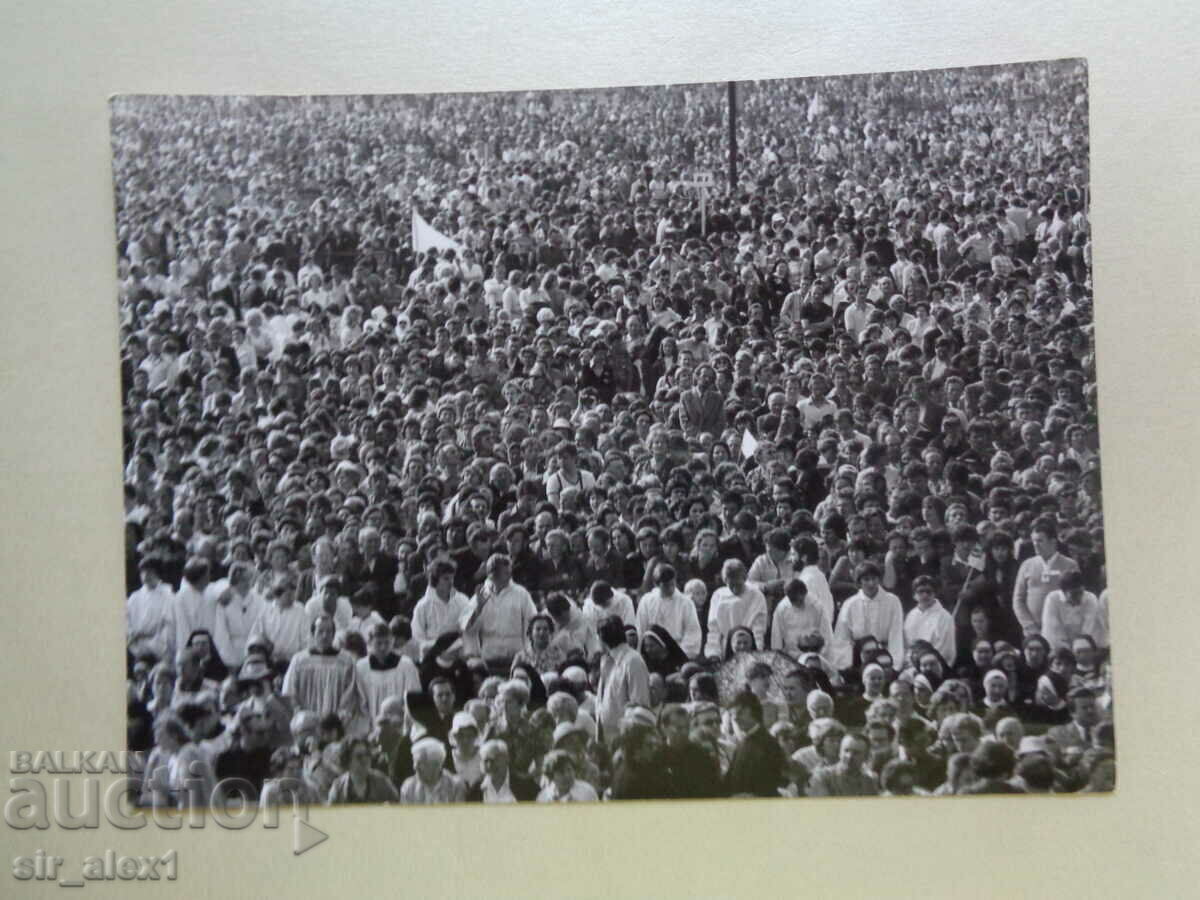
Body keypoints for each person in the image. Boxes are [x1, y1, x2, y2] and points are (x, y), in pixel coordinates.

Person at [460, 553, 537, 672]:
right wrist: (478, 607)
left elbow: (532, 622)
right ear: (492, 574)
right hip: (489, 655)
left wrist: (528, 652)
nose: (510, 575)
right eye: (505, 573)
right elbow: (466, 627)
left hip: (516, 654)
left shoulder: (521, 593)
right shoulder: (481, 594)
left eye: (509, 571)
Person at [831, 562, 905, 671]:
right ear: (859, 582)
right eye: (866, 579)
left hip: (886, 656)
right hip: (858, 660)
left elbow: (896, 634)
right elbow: (842, 637)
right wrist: (845, 665)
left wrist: (895, 665)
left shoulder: (892, 601)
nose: (871, 583)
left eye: (874, 579)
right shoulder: (850, 604)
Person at [596, 614, 651, 745]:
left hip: (626, 740)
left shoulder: (633, 661)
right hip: (605, 737)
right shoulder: (605, 660)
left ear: (601, 638)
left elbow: (640, 704)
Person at [725, 691, 788, 798]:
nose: (735, 718)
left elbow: (775, 782)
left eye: (739, 712)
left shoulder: (769, 744)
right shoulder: (741, 744)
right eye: (732, 714)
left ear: (753, 711)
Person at [705, 559, 768, 659]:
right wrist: (713, 652)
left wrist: (758, 652)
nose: (735, 589)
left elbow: (758, 629)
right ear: (725, 581)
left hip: (749, 648)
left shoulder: (757, 596)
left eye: (738, 585)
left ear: (745, 578)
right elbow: (714, 628)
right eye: (731, 585)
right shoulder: (718, 595)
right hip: (725, 650)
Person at [636, 564, 702, 658]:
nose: (671, 588)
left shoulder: (686, 603)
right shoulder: (646, 601)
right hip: (651, 653)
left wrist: (680, 654)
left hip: (678, 651)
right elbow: (640, 629)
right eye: (666, 586)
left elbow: (693, 632)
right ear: (656, 584)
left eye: (673, 584)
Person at [328, 737, 402, 804]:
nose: (365, 760)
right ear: (347, 761)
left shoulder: (382, 782)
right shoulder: (338, 788)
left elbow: (398, 808)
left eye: (367, 754)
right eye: (359, 757)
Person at [903, 575, 956, 666]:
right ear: (914, 595)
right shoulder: (911, 616)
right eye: (920, 591)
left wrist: (924, 663)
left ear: (934, 593)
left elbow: (946, 650)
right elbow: (907, 644)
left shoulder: (945, 617)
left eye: (928, 591)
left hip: (935, 666)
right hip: (911, 665)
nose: (925, 595)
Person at [807, 732, 879, 797]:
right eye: (846, 751)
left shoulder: (869, 782)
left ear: (866, 757)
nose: (849, 756)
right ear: (840, 752)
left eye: (856, 753)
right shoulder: (822, 777)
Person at [399, 736, 466, 804]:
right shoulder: (409, 787)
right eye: (414, 762)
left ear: (437, 764)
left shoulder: (455, 786)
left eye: (421, 763)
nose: (415, 767)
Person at [478, 739, 539, 803]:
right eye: (486, 760)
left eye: (495, 759)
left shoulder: (526, 786)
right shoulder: (476, 790)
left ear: (507, 758)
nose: (489, 765)